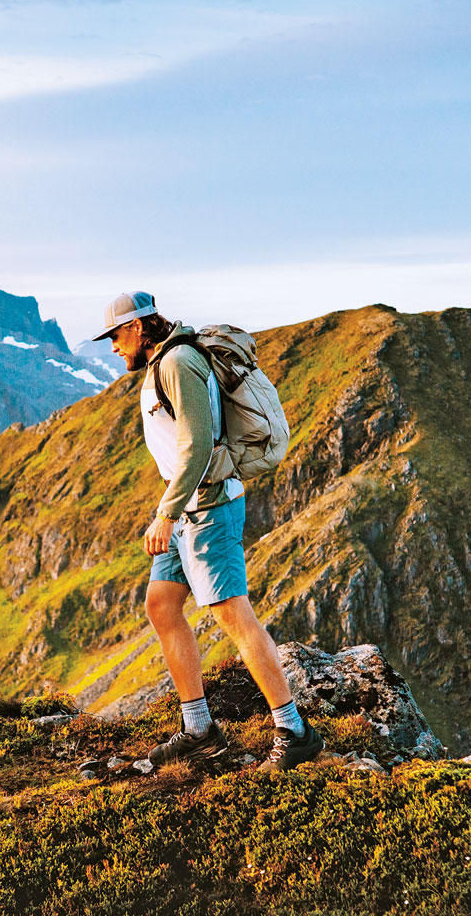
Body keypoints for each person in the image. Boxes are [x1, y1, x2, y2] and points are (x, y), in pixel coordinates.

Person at [92, 291, 324, 771]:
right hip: (186, 510)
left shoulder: (177, 363)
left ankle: (295, 731)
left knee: (234, 617)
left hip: (208, 508)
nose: (113, 346)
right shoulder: (164, 363)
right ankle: (199, 730)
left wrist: (166, 514)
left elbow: (197, 445)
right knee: (161, 605)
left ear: (137, 327)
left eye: (115, 335)